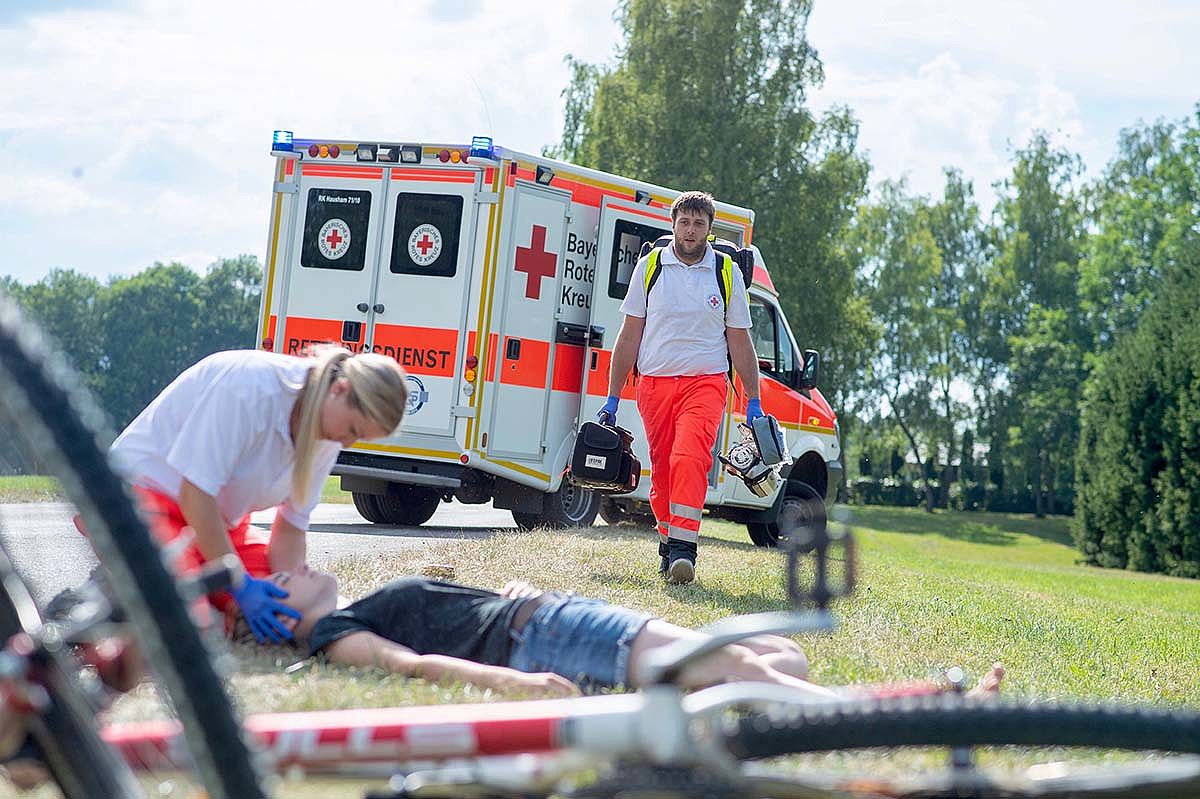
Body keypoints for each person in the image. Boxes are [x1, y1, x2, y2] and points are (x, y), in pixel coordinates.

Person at [104, 346, 408, 643]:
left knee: (272, 600)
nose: (348, 443)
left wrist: (291, 604)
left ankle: (146, 587)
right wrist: (238, 583)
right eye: (354, 429)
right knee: (190, 622)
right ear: (339, 389)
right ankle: (115, 595)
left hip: (214, 523)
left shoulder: (328, 432)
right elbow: (195, 494)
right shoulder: (250, 388)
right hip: (139, 501)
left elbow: (289, 530)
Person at [239, 567, 831, 698]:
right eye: (278, 582)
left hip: (554, 618)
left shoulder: (355, 606)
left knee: (784, 654)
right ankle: (856, 717)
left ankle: (748, 699)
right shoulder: (337, 635)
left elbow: (454, 615)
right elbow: (411, 667)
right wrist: (511, 682)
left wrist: (506, 595)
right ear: (281, 618)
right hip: (549, 640)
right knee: (745, 666)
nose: (287, 571)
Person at [600, 191, 762, 584]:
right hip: (653, 385)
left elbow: (740, 341)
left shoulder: (726, 273)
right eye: (684, 222)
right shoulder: (650, 266)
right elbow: (628, 335)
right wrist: (612, 397)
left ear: (709, 228)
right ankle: (668, 544)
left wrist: (754, 400)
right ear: (673, 224)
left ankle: (684, 551)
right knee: (665, 471)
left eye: (699, 224)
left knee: (688, 458)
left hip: (705, 383)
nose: (691, 231)